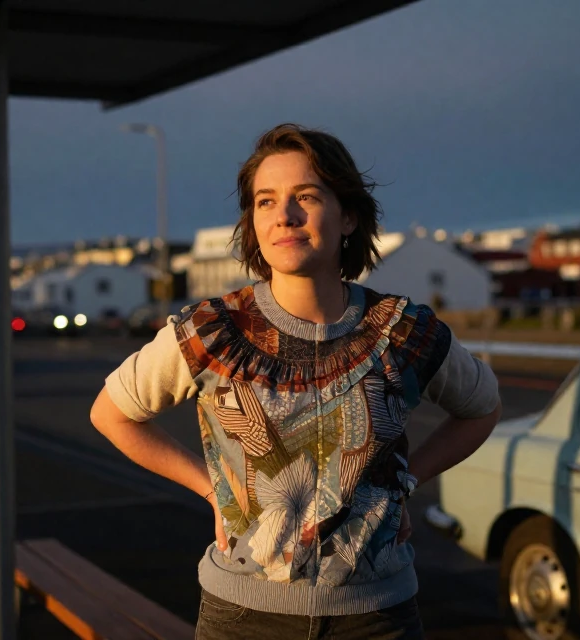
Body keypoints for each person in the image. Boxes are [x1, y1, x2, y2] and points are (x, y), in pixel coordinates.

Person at [90, 123, 502, 639]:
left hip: (377, 619)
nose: (283, 216)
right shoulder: (212, 330)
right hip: (243, 619)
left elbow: (482, 408)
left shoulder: (403, 331)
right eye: (266, 201)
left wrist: (404, 481)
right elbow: (112, 414)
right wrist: (213, 490)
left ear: (348, 215)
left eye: (305, 197)